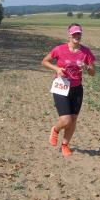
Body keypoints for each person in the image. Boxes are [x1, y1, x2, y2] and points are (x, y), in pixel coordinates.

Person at [41, 23, 96, 156]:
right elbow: (44, 61)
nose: (76, 36)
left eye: (79, 34)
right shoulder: (59, 49)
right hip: (61, 87)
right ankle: (55, 129)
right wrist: (57, 69)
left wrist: (87, 67)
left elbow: (93, 72)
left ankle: (65, 145)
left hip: (77, 89)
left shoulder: (86, 52)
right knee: (66, 120)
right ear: (69, 35)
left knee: (73, 119)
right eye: (74, 34)